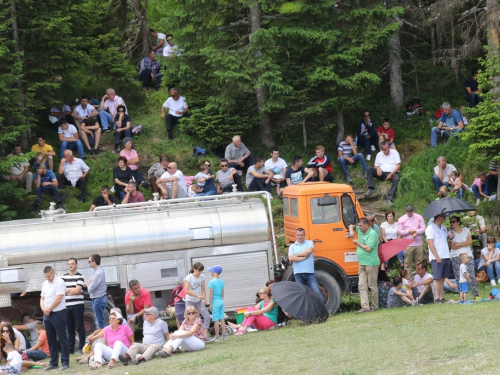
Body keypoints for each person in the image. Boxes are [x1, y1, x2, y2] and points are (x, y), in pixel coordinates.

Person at [40, 266, 69, 371]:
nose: (47, 278)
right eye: (46, 276)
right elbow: (42, 298)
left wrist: (49, 309)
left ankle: (65, 362)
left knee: (62, 338)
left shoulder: (60, 282)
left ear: (53, 273)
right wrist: (44, 309)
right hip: (47, 314)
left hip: (58, 312)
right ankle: (53, 362)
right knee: (50, 339)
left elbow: (59, 298)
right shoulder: (44, 284)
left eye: (49, 276)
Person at [349, 219, 380, 313]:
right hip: (362, 263)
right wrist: (351, 231)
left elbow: (368, 248)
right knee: (361, 285)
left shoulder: (372, 234)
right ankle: (365, 307)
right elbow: (351, 225)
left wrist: (357, 243)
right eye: (358, 225)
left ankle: (374, 306)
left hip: (371, 263)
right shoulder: (360, 230)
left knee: (372, 285)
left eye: (360, 226)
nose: (358, 227)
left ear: (366, 226)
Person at [288, 228, 325, 303]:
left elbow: (309, 251)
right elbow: (291, 258)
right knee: (301, 294)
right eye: (298, 235)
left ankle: (324, 311)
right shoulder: (292, 246)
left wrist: (297, 255)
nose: (300, 236)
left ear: (305, 235)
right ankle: (305, 313)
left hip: (309, 272)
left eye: (302, 235)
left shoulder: (309, 243)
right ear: (295, 236)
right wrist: (303, 258)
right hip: (298, 273)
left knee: (316, 291)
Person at [449, 216, 478, 298]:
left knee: (471, 274)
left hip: (467, 254)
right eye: (451, 222)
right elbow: (453, 246)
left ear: (458, 222)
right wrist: (463, 243)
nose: (452, 223)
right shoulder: (450, 233)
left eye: (453, 221)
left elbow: (470, 242)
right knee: (458, 276)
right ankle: (461, 294)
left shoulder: (466, 230)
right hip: (456, 256)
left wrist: (458, 244)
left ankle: (475, 293)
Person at [363, 141, 401, 205]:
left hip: (392, 173)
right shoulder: (379, 154)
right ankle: (371, 189)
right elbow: (376, 165)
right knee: (369, 168)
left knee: (396, 178)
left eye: (388, 148)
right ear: (381, 149)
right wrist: (378, 168)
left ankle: (389, 198)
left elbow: (398, 165)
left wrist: (391, 174)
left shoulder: (395, 153)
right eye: (385, 149)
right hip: (382, 173)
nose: (387, 150)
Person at [61, 258, 86, 355]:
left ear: (76, 265)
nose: (70, 265)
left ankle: (81, 347)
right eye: (69, 264)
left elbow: (78, 291)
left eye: (72, 264)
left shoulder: (80, 276)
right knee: (70, 328)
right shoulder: (63, 277)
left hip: (78, 305)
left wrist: (67, 291)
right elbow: (61, 290)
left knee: (80, 327)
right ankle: (70, 349)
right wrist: (73, 290)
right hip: (67, 306)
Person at [183, 262, 212, 341]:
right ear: (194, 269)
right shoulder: (189, 277)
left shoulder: (202, 277)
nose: (200, 273)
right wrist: (197, 296)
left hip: (199, 301)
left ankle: (204, 335)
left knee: (207, 316)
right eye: (199, 271)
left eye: (201, 271)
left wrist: (204, 299)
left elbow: (203, 289)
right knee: (189, 318)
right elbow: (187, 291)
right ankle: (189, 336)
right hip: (190, 301)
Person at [425, 213, 450, 303]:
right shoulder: (430, 228)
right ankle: (437, 297)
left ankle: (441, 296)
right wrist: (436, 256)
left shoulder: (443, 227)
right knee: (437, 277)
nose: (444, 219)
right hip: (437, 256)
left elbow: (445, 239)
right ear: (439, 217)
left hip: (446, 255)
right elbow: (430, 243)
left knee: (443, 278)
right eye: (444, 217)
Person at [397, 205, 425, 277]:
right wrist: (408, 231)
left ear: (413, 211)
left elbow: (423, 228)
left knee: (419, 262)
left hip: (418, 243)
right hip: (408, 244)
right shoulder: (402, 219)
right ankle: (408, 279)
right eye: (408, 213)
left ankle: (419, 277)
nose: (410, 214)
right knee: (407, 263)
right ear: (406, 211)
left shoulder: (419, 217)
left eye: (411, 212)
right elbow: (399, 231)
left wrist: (417, 232)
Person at [87, 254, 107, 330]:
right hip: (99, 298)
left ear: (94, 262)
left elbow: (90, 289)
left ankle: (102, 340)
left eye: (89, 261)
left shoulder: (98, 273)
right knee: (98, 320)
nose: (88, 263)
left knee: (99, 322)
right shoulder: (97, 271)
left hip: (98, 299)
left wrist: (88, 284)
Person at [207, 265, 226, 341]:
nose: (211, 272)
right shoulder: (221, 281)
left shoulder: (212, 282)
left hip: (215, 301)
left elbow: (211, 294)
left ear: (214, 272)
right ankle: (224, 335)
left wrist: (210, 304)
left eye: (212, 271)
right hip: (221, 300)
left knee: (215, 320)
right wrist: (221, 299)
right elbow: (222, 292)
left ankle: (217, 336)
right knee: (222, 318)